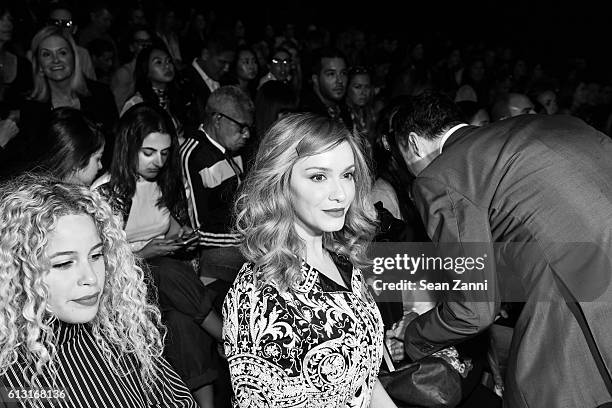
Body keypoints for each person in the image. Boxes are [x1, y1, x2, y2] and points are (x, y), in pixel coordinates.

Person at [386, 91, 612, 407]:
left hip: (581, 294)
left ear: (412, 143)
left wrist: (415, 335)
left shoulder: (441, 175)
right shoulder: (556, 124)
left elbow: (475, 308)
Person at [224, 113, 396, 407]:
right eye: (319, 177)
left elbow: (363, 377)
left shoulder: (341, 258)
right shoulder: (260, 297)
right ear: (280, 183)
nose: (340, 194)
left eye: (347, 174)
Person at [0, 174, 197, 407]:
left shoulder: (121, 333)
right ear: (18, 270)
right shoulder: (11, 378)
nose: (91, 278)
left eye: (96, 255)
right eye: (64, 263)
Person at [92, 104, 224, 407]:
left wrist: (184, 236)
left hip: (162, 287)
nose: (158, 161)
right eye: (149, 152)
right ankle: (228, 339)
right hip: (122, 286)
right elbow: (99, 260)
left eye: (165, 153)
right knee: (164, 268)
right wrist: (144, 253)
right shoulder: (105, 192)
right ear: (129, 146)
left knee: (181, 323)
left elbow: (173, 229)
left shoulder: (159, 184)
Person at [36, 107, 105, 186]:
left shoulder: (31, 189)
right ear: (77, 160)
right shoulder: (75, 197)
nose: (100, 166)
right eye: (98, 159)